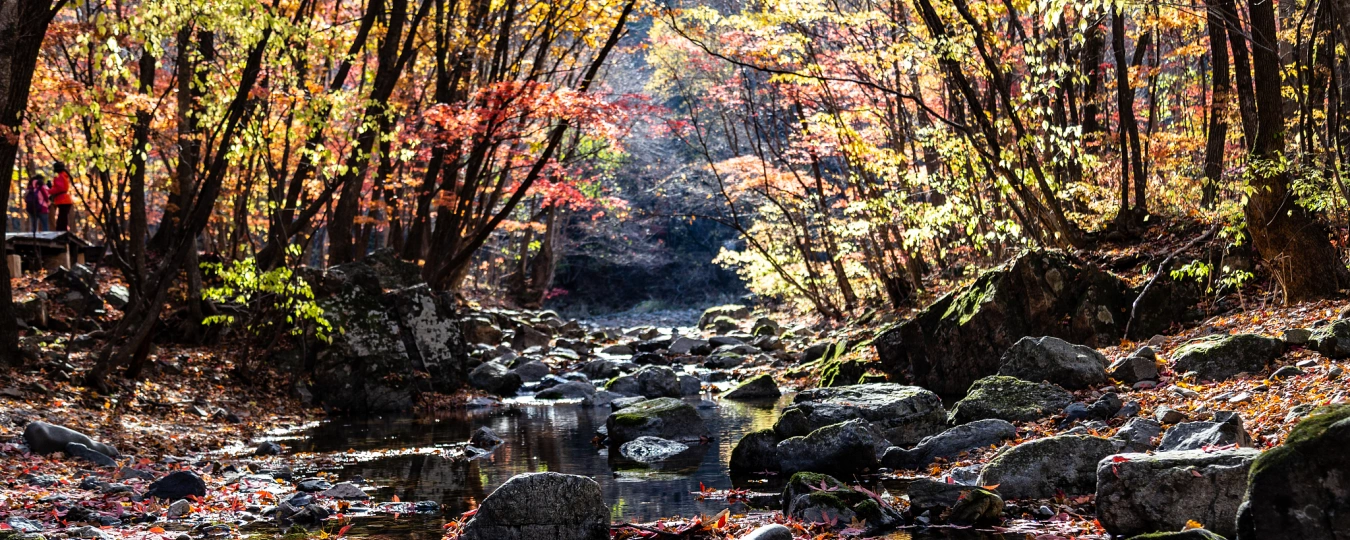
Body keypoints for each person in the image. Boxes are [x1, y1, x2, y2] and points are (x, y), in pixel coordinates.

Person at [50, 161, 74, 231]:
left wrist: (49, 190)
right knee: (63, 217)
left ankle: (61, 231)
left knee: (62, 218)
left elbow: (60, 188)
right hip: (64, 200)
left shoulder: (59, 176)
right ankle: (62, 231)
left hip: (63, 200)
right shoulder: (63, 175)